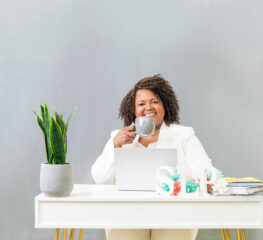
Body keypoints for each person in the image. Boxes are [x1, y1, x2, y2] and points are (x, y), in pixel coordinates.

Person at [91, 75, 214, 240]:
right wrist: (115, 145)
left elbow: (205, 171)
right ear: (133, 110)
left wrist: (178, 178)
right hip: (128, 213)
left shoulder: (183, 134)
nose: (148, 107)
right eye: (141, 104)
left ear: (165, 106)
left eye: (155, 101)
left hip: (174, 213)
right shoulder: (119, 137)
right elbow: (101, 178)